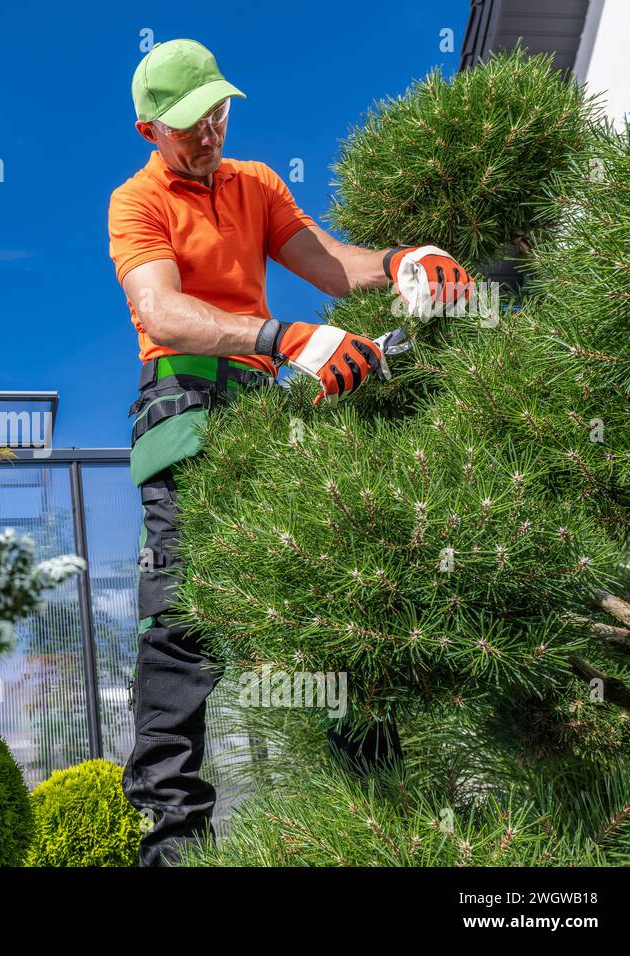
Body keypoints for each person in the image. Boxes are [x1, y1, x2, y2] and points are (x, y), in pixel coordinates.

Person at [108, 38, 473, 867]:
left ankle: (377, 820)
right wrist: (285, 336)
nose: (210, 134)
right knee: (183, 619)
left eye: (218, 113)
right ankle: (172, 843)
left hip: (263, 409)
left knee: (315, 585)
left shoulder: (258, 184)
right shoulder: (134, 203)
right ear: (149, 131)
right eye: (189, 126)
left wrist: (397, 261)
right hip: (182, 406)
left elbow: (333, 268)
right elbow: (162, 314)